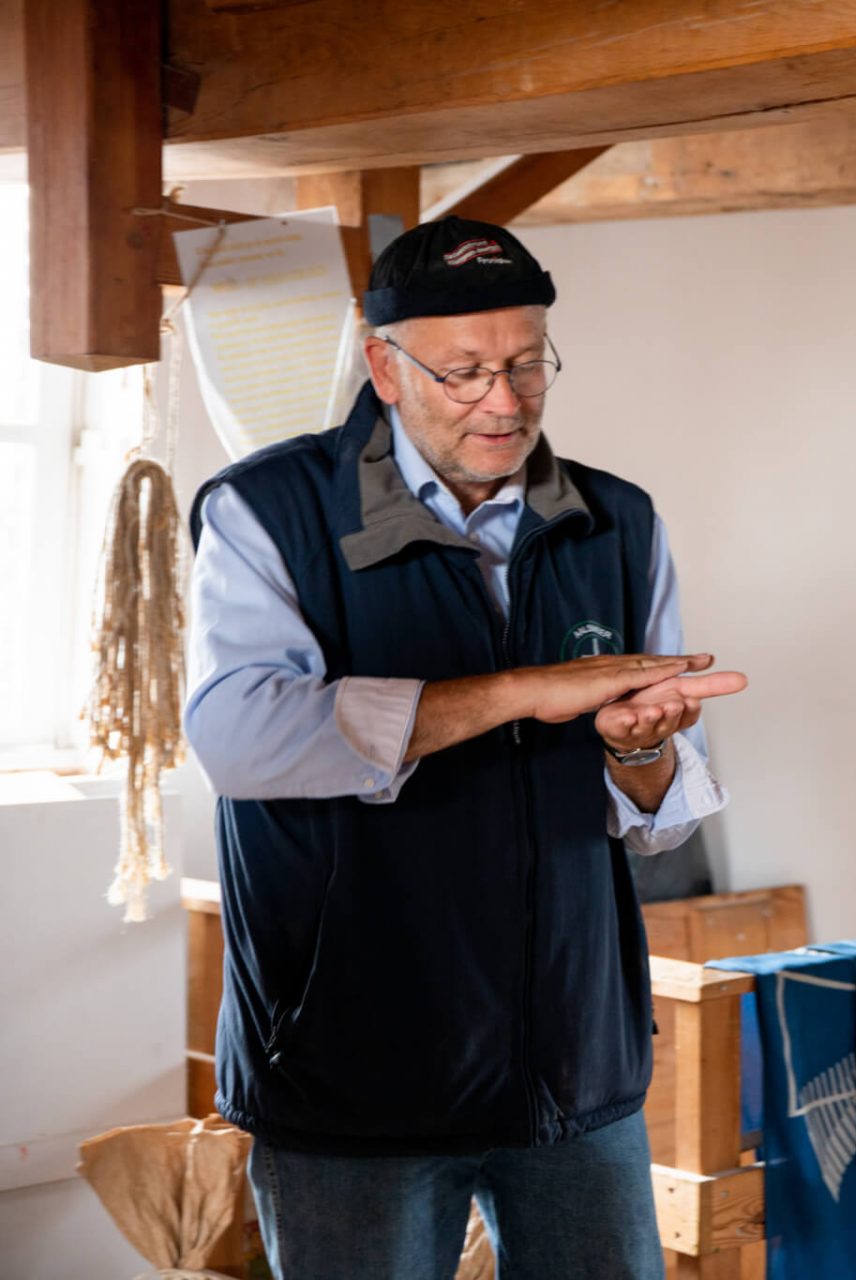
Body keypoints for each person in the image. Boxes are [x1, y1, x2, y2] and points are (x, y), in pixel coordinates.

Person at [183, 217, 746, 1280]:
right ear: (384, 366)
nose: (506, 399)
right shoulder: (266, 509)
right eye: (468, 370)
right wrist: (520, 693)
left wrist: (638, 752)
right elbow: (243, 738)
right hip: (356, 1066)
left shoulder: (618, 521)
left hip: (575, 1067)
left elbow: (665, 805)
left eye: (530, 363)